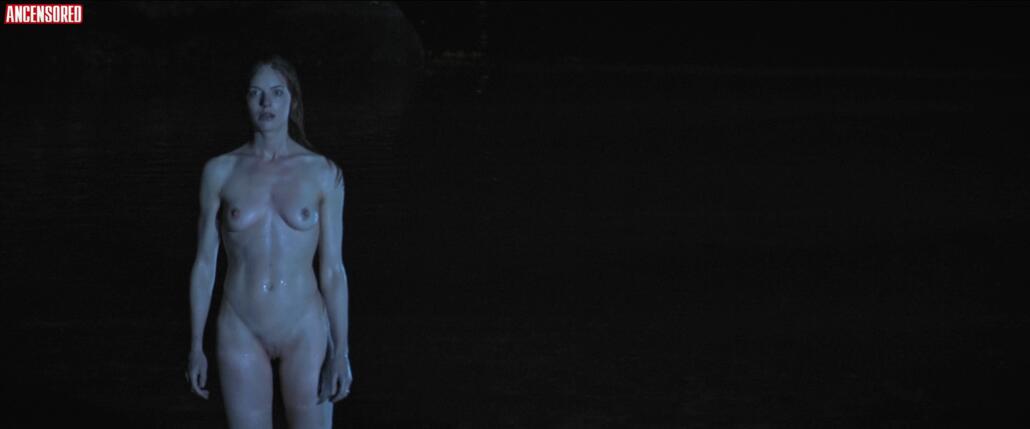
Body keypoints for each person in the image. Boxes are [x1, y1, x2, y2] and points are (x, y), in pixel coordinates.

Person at [186, 55, 352, 429]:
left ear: (292, 100)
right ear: (245, 100)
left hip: (304, 325)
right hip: (240, 325)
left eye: (277, 93)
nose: (266, 103)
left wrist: (341, 351)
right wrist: (196, 345)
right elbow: (204, 264)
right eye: (256, 93)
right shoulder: (219, 171)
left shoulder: (324, 173)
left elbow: (333, 270)